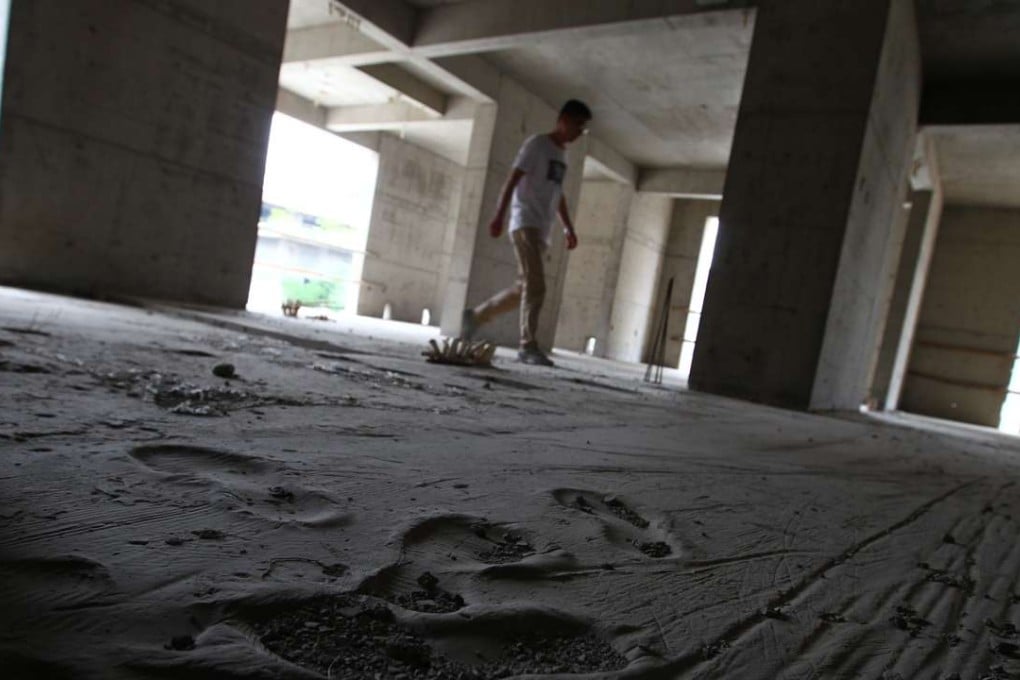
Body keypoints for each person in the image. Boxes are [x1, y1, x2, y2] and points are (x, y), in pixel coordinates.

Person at [460, 99, 592, 366]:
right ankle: (527, 345)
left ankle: (476, 316)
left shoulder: (562, 155)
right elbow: (513, 178)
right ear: (564, 119)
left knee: (525, 287)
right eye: (578, 125)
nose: (580, 132)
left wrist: (568, 227)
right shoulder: (537, 145)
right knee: (537, 287)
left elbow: (558, 194)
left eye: (583, 129)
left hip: (542, 229)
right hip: (525, 222)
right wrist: (499, 215)